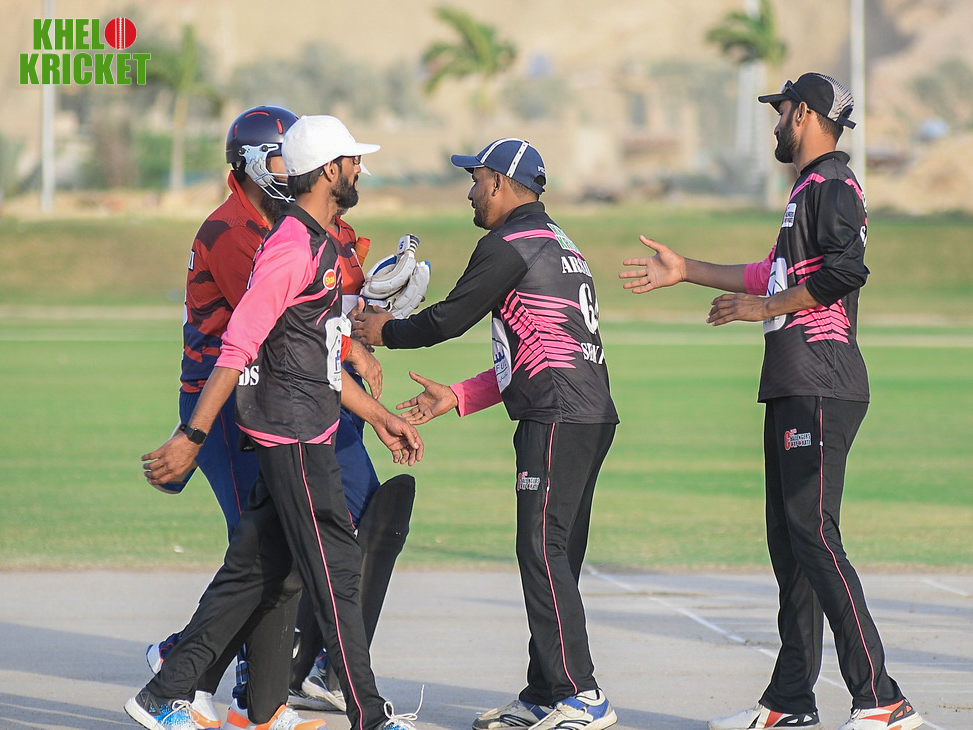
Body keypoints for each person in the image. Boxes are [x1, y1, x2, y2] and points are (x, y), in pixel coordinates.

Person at [618, 73, 923, 730]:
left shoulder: (833, 184)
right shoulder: (806, 190)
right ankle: (789, 703)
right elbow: (771, 274)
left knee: (814, 534)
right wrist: (687, 271)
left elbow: (846, 271)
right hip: (793, 381)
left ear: (804, 114)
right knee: (792, 545)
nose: (776, 123)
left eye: (781, 111)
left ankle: (882, 700)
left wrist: (763, 307)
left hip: (821, 379)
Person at [126, 115, 423, 730]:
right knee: (333, 571)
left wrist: (379, 414)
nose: (360, 169)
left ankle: (186, 695)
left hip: (306, 424)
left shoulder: (317, 240)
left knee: (265, 569)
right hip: (288, 432)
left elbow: (320, 353)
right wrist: (192, 436)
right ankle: (368, 716)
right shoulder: (289, 247)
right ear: (328, 171)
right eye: (353, 161)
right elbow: (239, 345)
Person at [353, 138, 620, 730]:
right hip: (585, 414)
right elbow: (539, 349)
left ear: (499, 182)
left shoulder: (507, 243)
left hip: (556, 416)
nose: (470, 193)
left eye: (475, 181)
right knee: (555, 553)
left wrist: (383, 330)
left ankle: (583, 696)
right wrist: (460, 395)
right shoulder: (558, 241)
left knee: (541, 550)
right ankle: (546, 691)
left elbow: (449, 318)